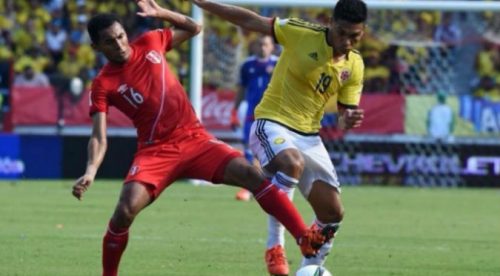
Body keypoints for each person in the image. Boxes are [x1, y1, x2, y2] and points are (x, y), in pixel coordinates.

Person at [71, 1, 328, 275]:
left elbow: (194, 27)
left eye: (121, 36)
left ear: (126, 32)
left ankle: (303, 237)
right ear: (97, 48)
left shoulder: (150, 42)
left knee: (253, 176)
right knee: (124, 211)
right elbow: (99, 136)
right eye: (110, 42)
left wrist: (162, 13)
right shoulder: (103, 84)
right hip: (156, 151)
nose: (120, 45)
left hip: (196, 140)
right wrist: (90, 170)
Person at [191, 0, 367, 274]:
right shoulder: (301, 33)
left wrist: (349, 119)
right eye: (342, 33)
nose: (346, 41)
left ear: (363, 32)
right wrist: (205, 3)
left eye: (353, 36)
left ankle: (310, 268)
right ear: (331, 23)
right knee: (291, 163)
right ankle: (275, 246)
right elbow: (250, 21)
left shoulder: (355, 65)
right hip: (271, 124)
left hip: (310, 135)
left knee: (333, 213)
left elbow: (345, 114)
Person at [232, 35, 279, 201]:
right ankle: (248, 187)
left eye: (265, 44)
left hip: (273, 116)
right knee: (250, 151)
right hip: (252, 115)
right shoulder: (247, 65)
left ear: (272, 46)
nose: (262, 47)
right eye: (259, 44)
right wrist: (234, 111)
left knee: (272, 152)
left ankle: (267, 186)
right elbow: (241, 89)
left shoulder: (278, 64)